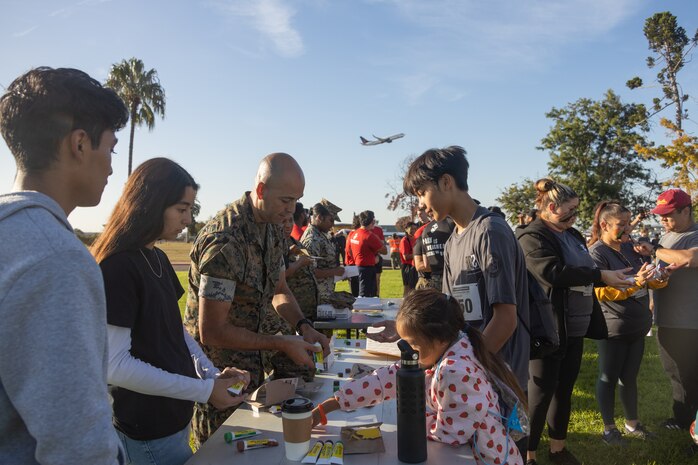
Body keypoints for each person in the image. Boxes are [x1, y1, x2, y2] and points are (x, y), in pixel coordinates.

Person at [0, 67, 128, 465]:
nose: (110, 166)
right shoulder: (56, 258)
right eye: (109, 148)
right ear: (79, 144)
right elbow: (78, 445)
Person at [91, 158, 250, 465]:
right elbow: (116, 366)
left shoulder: (158, 259)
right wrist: (204, 391)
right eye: (181, 209)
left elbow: (175, 332)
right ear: (151, 204)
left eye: (191, 209)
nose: (188, 218)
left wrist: (212, 375)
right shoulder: (118, 267)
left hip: (174, 421)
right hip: (147, 432)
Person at [184, 153, 330, 447]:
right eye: (285, 200)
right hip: (221, 373)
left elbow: (279, 289)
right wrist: (280, 342)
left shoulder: (275, 226)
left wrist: (302, 326)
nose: (291, 211)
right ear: (261, 191)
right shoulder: (225, 240)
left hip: (256, 364)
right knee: (222, 449)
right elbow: (211, 331)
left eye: (296, 201)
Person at [312, 289, 526, 465]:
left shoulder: (455, 371)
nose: (407, 351)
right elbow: (384, 379)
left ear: (439, 339)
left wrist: (414, 419)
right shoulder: (446, 348)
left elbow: (451, 435)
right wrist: (330, 405)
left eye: (412, 344)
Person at [516, 179, 632, 465]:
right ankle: (527, 454)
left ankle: (558, 449)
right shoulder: (532, 236)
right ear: (552, 207)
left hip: (574, 327)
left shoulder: (574, 235)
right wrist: (599, 276)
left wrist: (607, 276)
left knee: (564, 389)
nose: (575, 216)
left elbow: (586, 268)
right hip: (547, 327)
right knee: (540, 395)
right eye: (570, 210)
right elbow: (551, 272)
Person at [587, 201, 668, 445]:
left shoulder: (631, 247)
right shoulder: (596, 253)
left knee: (630, 377)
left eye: (628, 223)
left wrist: (660, 277)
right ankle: (609, 429)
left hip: (637, 325)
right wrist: (636, 282)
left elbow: (645, 281)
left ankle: (632, 424)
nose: (627, 229)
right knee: (608, 377)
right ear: (604, 225)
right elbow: (601, 292)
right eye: (621, 225)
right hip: (614, 327)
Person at [634, 188, 698, 431]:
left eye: (668, 214)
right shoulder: (667, 236)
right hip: (669, 319)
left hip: (692, 322)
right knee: (677, 374)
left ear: (686, 211)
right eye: (660, 215)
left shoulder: (694, 235)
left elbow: (689, 259)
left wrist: (655, 250)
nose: (662, 220)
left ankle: (694, 426)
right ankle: (683, 419)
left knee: (693, 377)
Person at [301, 201, 344, 303]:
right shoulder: (312, 239)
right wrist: (334, 272)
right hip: (316, 297)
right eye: (331, 220)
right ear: (319, 218)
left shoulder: (321, 235)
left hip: (324, 293)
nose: (332, 225)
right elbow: (309, 272)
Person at [347, 210, 387, 297]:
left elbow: (349, 250)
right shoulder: (369, 235)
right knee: (366, 295)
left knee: (360, 293)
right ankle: (364, 310)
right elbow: (384, 250)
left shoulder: (354, 233)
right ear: (372, 221)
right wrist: (379, 242)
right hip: (367, 268)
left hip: (357, 266)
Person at [414, 217, 455, 291]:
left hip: (436, 278)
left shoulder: (426, 230)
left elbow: (426, 264)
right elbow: (419, 266)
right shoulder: (452, 223)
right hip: (452, 276)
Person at [399, 222, 418, 296]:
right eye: (412, 229)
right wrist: (417, 254)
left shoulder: (415, 239)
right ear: (406, 229)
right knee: (407, 288)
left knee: (414, 288)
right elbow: (406, 257)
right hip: (407, 267)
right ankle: (405, 303)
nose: (414, 230)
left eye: (415, 229)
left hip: (414, 266)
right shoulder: (404, 241)